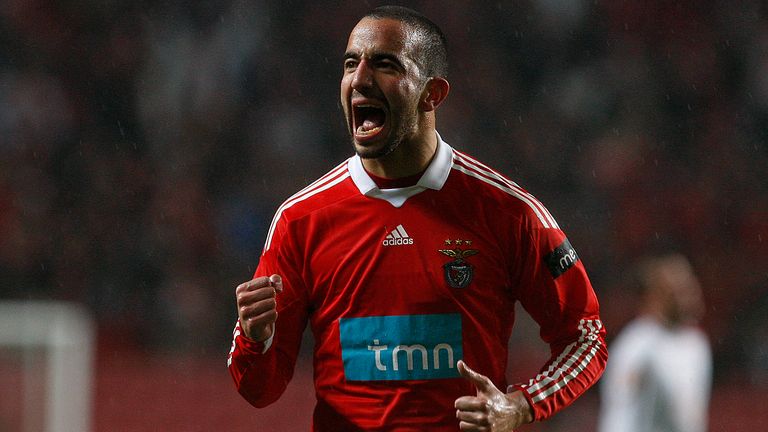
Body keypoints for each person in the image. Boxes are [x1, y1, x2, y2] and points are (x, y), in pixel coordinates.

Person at [228, 5, 607, 431]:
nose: (360, 79)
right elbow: (260, 390)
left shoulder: (509, 213)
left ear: (433, 94)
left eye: (385, 64)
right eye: (351, 63)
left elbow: (585, 338)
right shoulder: (301, 219)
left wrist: (521, 405)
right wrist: (255, 339)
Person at [598, 253, 712, 432]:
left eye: (689, 288)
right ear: (656, 297)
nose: (688, 297)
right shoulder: (636, 345)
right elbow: (618, 412)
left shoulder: (696, 344)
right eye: (677, 292)